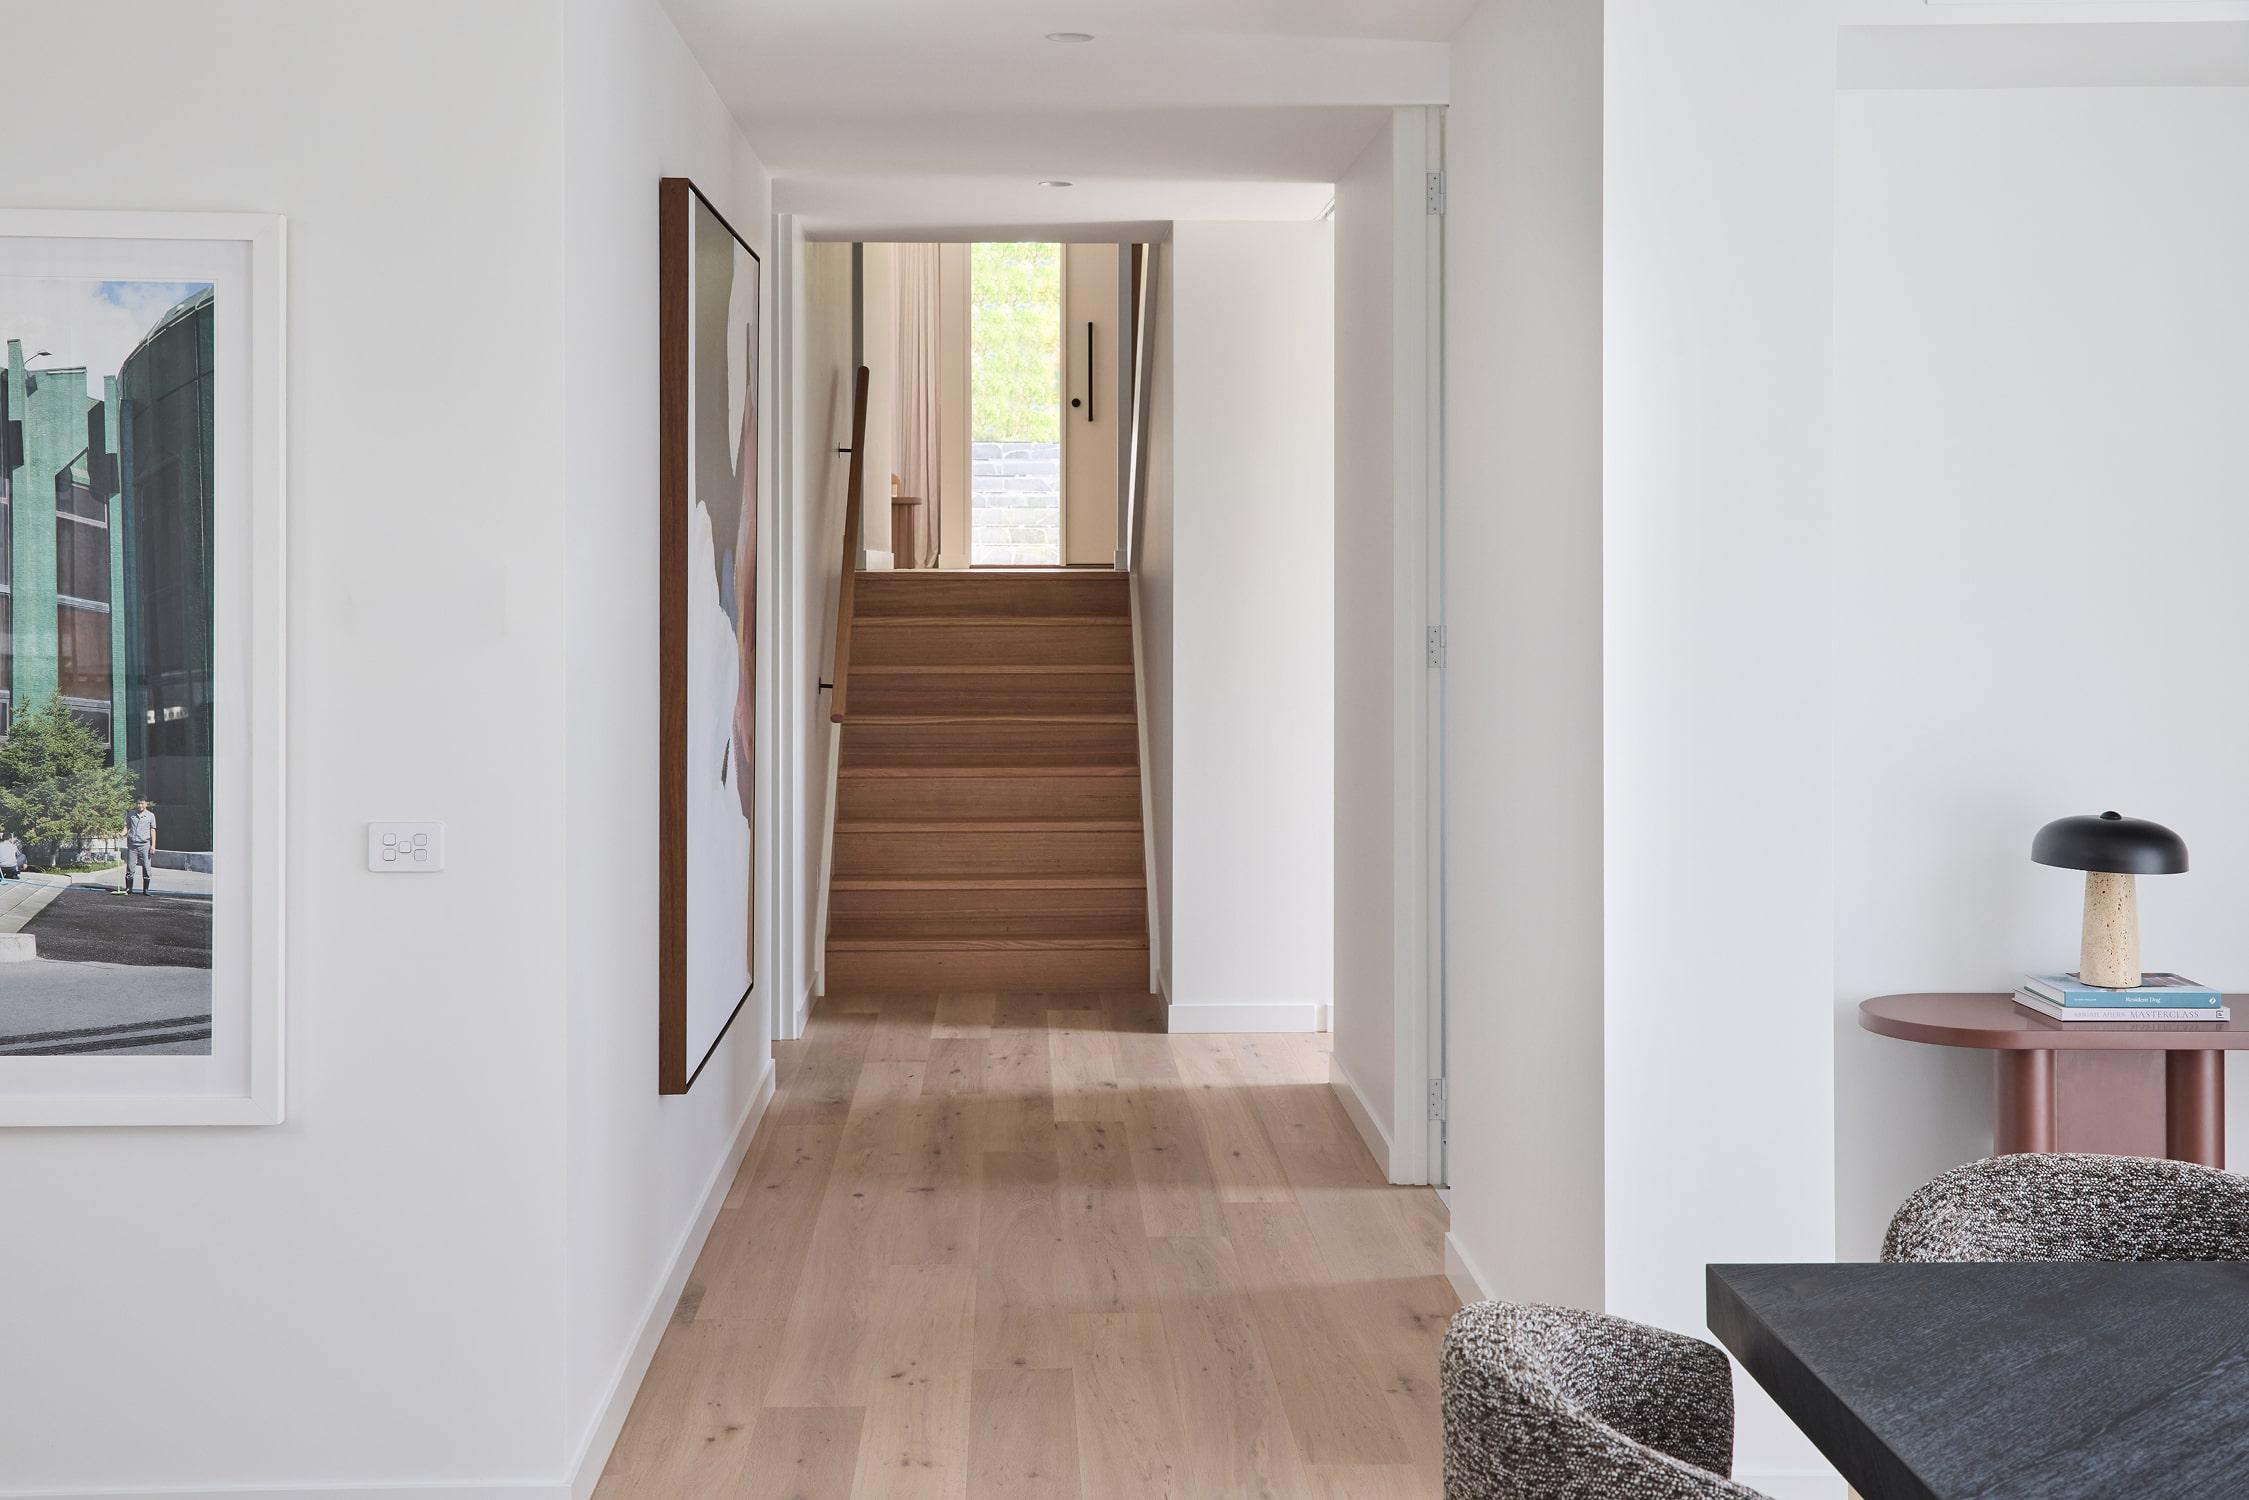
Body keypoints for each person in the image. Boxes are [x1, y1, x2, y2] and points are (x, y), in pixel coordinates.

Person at [124, 800, 157, 895]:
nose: (140, 805)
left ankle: (146, 890)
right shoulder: (131, 814)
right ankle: (129, 889)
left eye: (142, 803)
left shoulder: (151, 815)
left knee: (147, 867)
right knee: (130, 867)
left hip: (145, 845)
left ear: (146, 804)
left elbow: (153, 831)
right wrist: (121, 834)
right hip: (132, 845)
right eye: (138, 803)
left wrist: (153, 846)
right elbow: (126, 827)